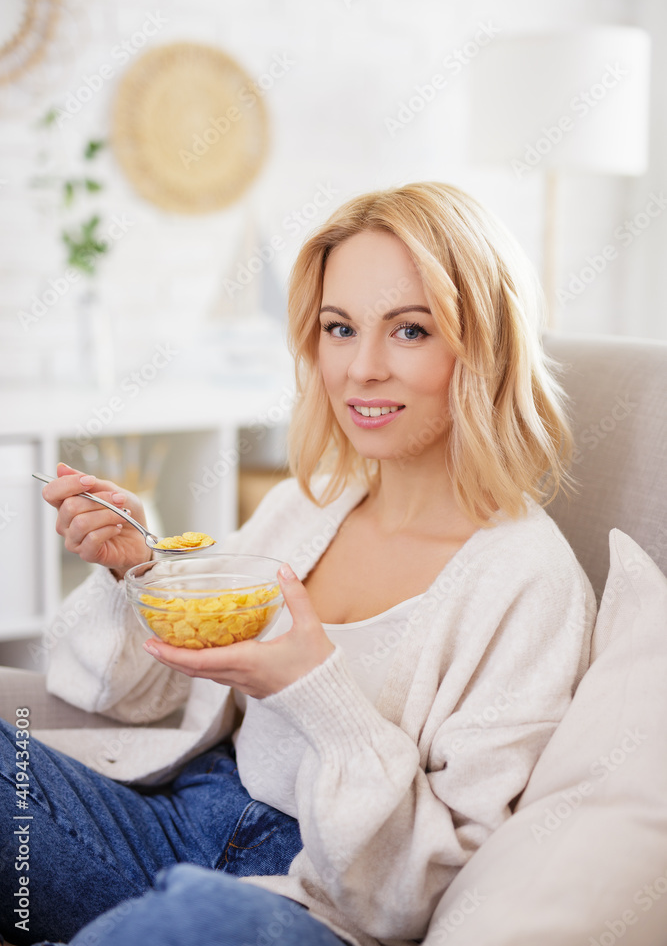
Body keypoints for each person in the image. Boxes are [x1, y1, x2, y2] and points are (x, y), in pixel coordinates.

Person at [0, 182, 597, 946]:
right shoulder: (305, 506)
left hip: (315, 896)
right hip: (175, 820)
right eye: (339, 328)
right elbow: (130, 699)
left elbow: (427, 891)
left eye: (409, 331)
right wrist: (139, 573)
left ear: (483, 344)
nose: (360, 369)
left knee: (190, 918)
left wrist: (315, 691)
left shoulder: (529, 583)